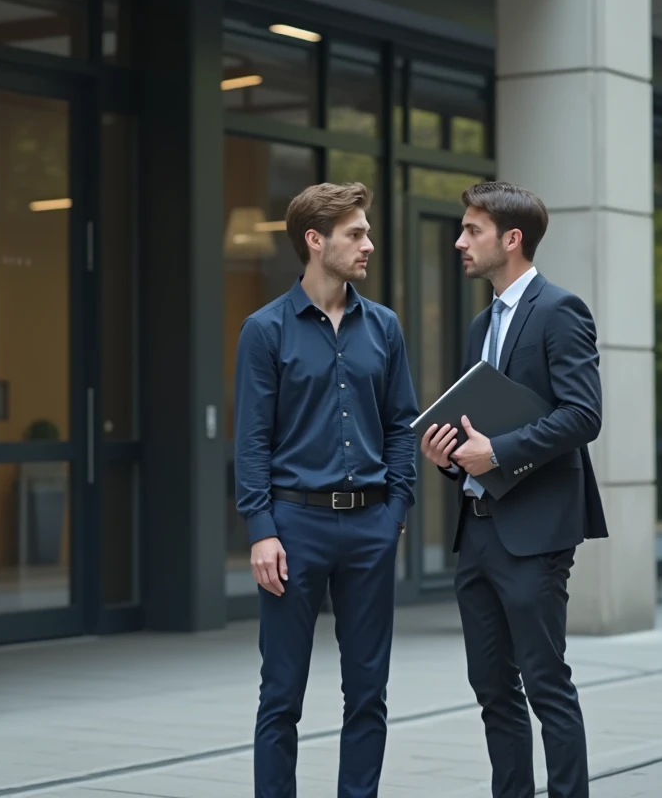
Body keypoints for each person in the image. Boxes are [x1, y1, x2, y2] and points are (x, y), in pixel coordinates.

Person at [420, 181, 607, 798]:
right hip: (477, 532)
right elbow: (481, 424)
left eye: (471, 230)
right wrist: (450, 456)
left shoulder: (560, 310)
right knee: (493, 688)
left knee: (546, 684)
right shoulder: (481, 324)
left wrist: (496, 452)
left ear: (512, 238)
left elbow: (584, 416)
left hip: (536, 534)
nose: (460, 241)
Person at [233, 181, 419, 798]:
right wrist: (260, 530)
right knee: (281, 693)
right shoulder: (264, 331)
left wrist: (395, 511)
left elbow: (401, 425)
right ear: (315, 242)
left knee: (368, 692)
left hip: (370, 528)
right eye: (356, 234)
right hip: (294, 529)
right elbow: (252, 441)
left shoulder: (385, 328)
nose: (368, 244)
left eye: (365, 231)